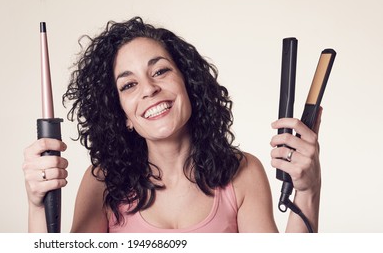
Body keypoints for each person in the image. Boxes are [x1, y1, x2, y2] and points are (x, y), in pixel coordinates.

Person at [22, 17, 321, 233]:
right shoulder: (102, 183)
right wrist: (37, 206)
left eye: (160, 71)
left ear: (189, 84)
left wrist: (307, 191)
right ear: (122, 114)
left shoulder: (243, 174)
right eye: (128, 85)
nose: (149, 89)